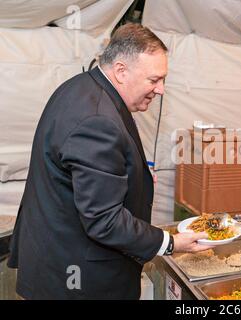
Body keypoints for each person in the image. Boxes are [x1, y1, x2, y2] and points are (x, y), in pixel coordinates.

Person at [7, 23, 211, 300]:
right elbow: (104, 220)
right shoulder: (98, 120)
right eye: (154, 80)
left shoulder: (81, 86)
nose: (161, 89)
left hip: (56, 259)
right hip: (77, 279)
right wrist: (169, 242)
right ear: (120, 71)